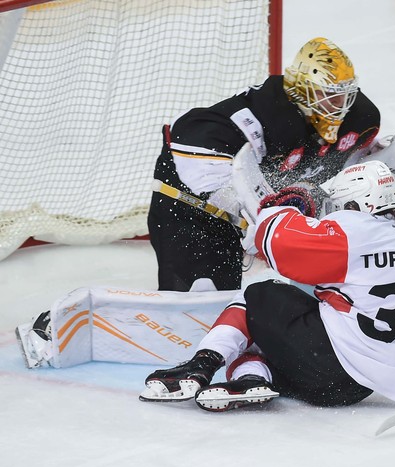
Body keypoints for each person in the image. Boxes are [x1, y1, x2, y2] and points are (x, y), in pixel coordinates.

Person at [139, 160, 395, 411]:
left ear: (357, 203)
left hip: (330, 363)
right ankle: (253, 379)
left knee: (259, 295)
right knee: (270, 328)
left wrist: (286, 206)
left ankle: (201, 364)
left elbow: (274, 237)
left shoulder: (355, 231)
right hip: (354, 388)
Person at [148, 37, 380, 292]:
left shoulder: (355, 119)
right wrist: (258, 218)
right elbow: (190, 147)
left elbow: (357, 170)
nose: (341, 106)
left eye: (345, 95)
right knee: (198, 300)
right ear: (303, 89)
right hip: (189, 212)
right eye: (329, 96)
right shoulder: (257, 116)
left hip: (235, 219)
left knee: (223, 295)